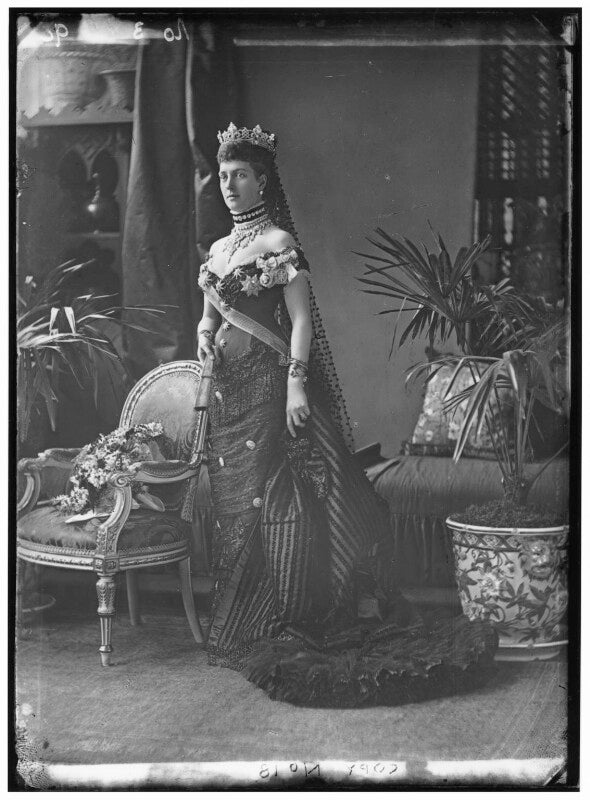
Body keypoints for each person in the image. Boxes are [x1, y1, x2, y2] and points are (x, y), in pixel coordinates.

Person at [195, 123, 497, 707]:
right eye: (224, 176)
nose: (229, 186)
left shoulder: (278, 241)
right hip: (230, 392)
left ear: (262, 181)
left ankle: (284, 614)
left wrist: (295, 386)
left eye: (241, 176)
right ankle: (245, 620)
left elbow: (300, 321)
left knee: (275, 500)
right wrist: (205, 337)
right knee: (237, 504)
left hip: (270, 387)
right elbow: (209, 318)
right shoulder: (217, 251)